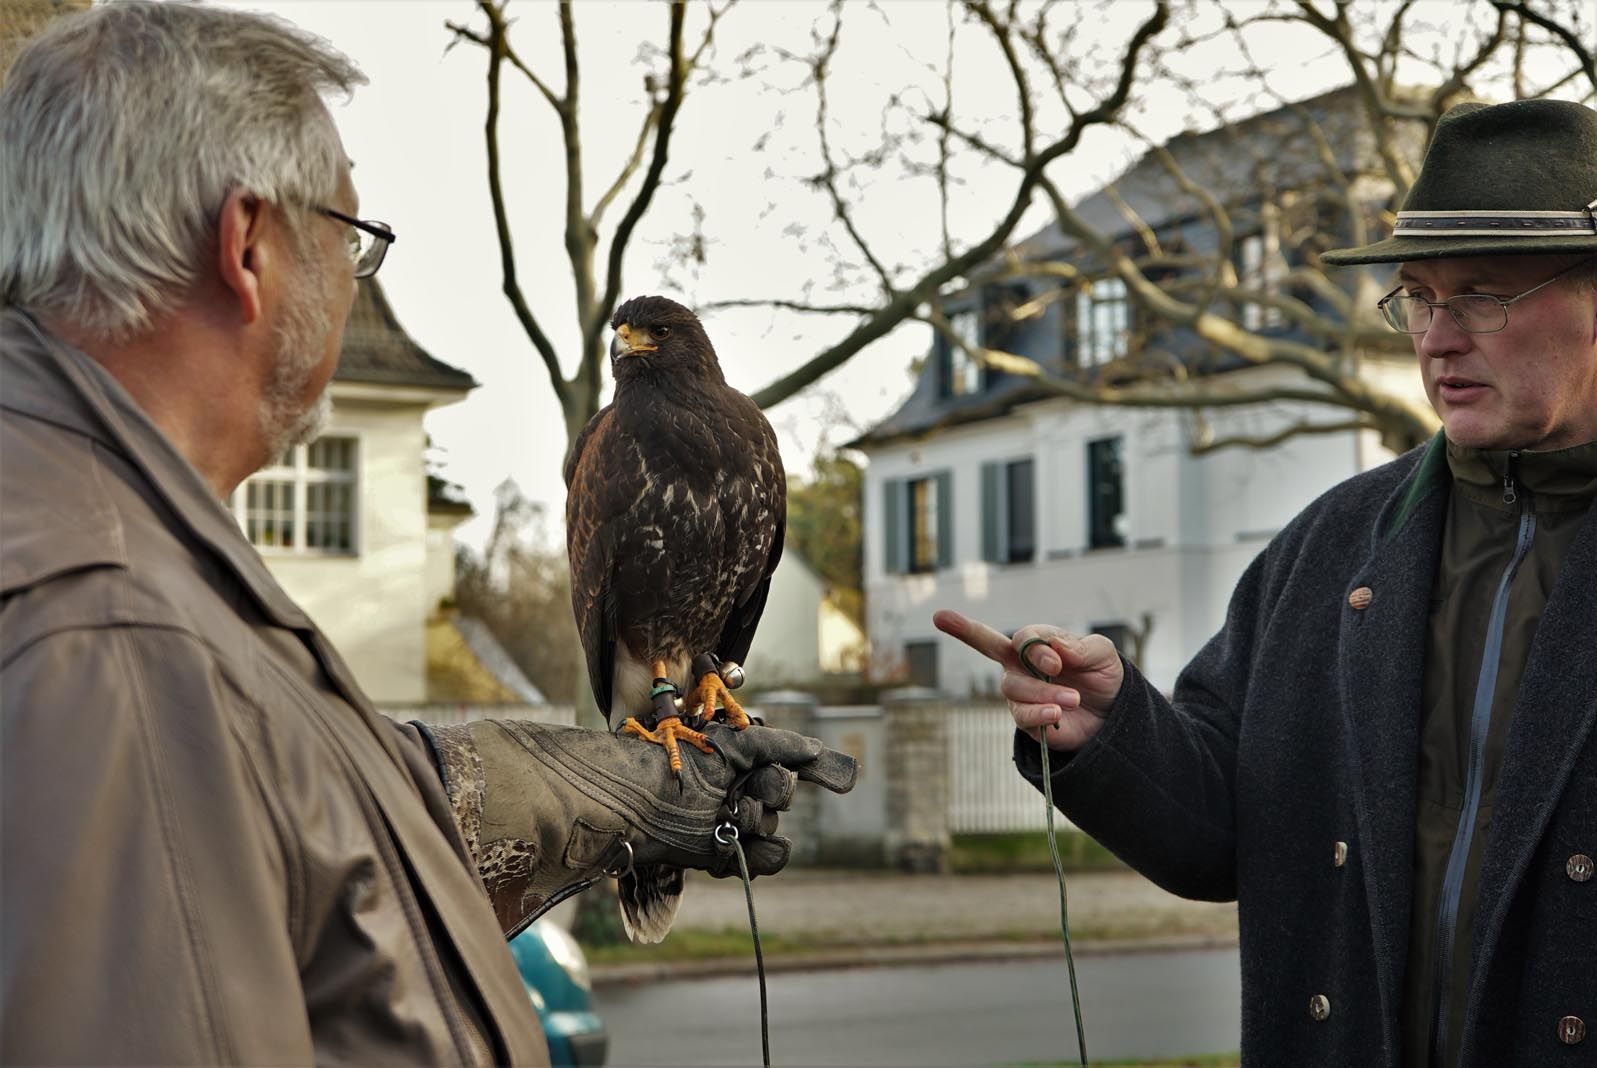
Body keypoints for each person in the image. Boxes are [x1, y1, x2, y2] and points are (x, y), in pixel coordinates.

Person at [0, 4, 853, 1064]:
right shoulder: (112, 631)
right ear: (247, 245)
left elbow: (312, 806)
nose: (356, 273)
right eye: (349, 237)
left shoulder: (121, 533)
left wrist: (611, 794)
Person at [936, 97, 1597, 1067]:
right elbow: (1221, 836)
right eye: (1417, 297)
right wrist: (1114, 729)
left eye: (1481, 297)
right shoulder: (1330, 546)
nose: (1436, 338)